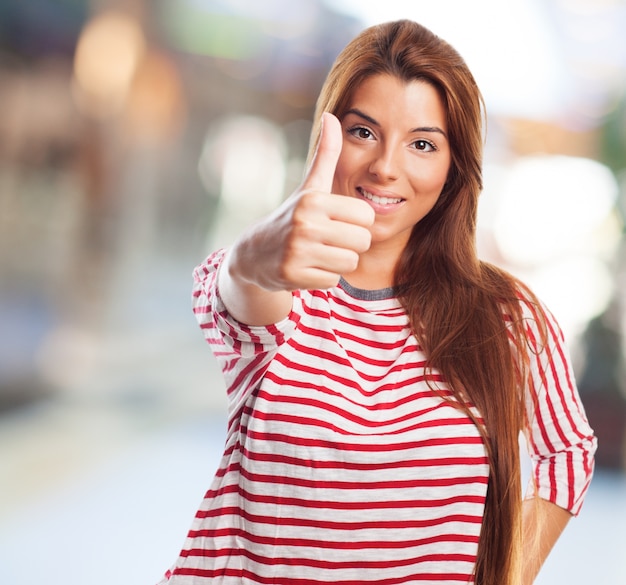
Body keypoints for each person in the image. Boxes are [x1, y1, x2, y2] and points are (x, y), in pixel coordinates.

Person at [159, 19, 596, 585]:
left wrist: (507, 575)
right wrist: (255, 256)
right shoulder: (282, 290)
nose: (386, 166)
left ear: (454, 166)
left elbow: (568, 454)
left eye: (421, 144)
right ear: (327, 136)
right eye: (364, 132)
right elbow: (237, 286)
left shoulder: (507, 317)